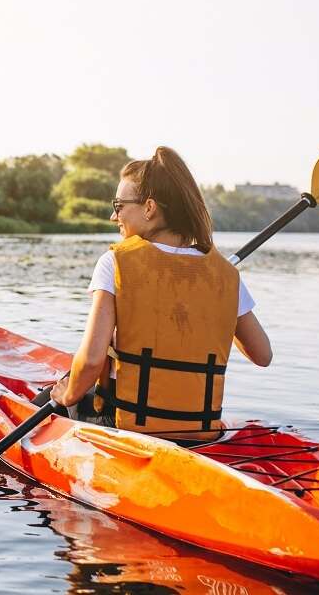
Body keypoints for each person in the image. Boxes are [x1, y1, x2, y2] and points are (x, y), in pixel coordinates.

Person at [43, 147, 272, 442]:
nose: (115, 216)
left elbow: (90, 362)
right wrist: (219, 300)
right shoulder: (224, 275)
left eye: (119, 205)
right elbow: (262, 354)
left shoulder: (116, 262)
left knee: (55, 393)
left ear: (149, 208)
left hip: (126, 426)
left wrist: (67, 395)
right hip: (198, 431)